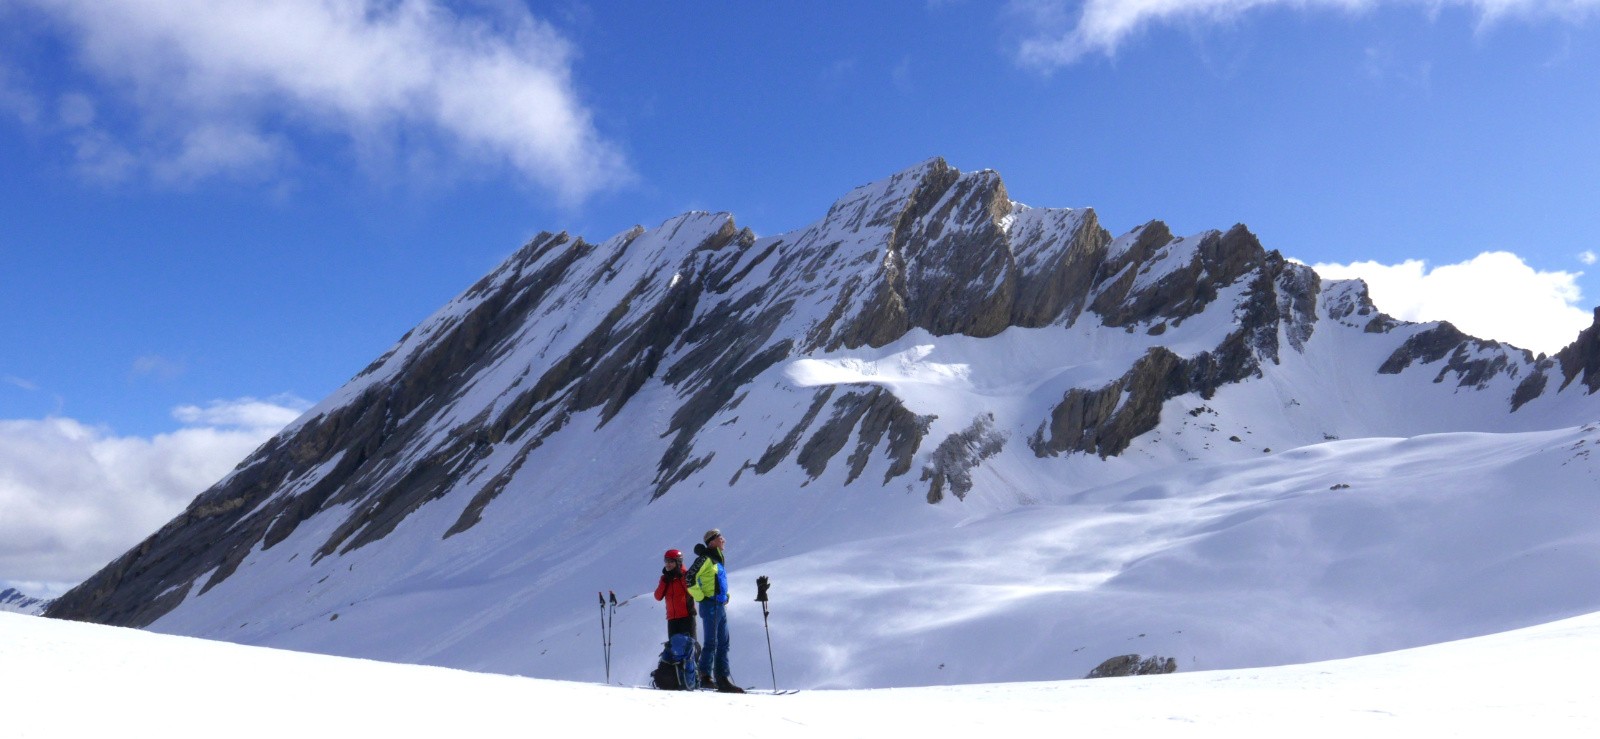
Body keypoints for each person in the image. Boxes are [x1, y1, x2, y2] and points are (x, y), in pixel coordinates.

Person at [687, 528, 743, 693]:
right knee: (712, 643)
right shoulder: (706, 559)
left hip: (719, 605)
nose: (724, 540)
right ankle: (706, 677)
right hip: (710, 605)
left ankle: (721, 678)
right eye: (720, 538)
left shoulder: (717, 559)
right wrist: (702, 597)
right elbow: (690, 578)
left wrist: (725, 596)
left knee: (723, 643)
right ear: (712, 541)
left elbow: (717, 582)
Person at [653, 549, 696, 639]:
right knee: (674, 649)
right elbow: (657, 596)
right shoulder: (665, 578)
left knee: (689, 647)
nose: (668, 564)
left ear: (678, 562)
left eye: (671, 561)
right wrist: (664, 582)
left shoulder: (685, 575)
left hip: (687, 617)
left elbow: (692, 592)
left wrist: (682, 578)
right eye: (666, 561)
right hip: (672, 619)